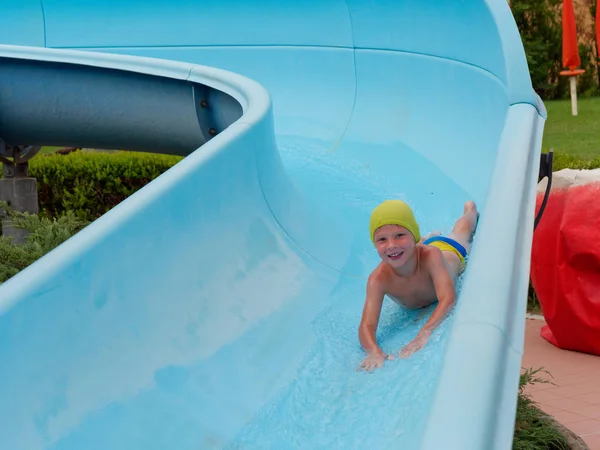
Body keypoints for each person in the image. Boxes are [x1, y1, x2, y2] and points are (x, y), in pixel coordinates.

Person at [357, 199, 479, 372]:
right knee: (410, 249)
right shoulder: (378, 280)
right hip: (413, 252)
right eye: (382, 239)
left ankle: (470, 211)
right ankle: (422, 239)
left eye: (399, 235)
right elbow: (366, 326)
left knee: (462, 231)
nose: (391, 245)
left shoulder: (432, 256)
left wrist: (425, 331)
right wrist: (373, 351)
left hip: (450, 250)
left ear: (412, 235)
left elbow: (448, 298)